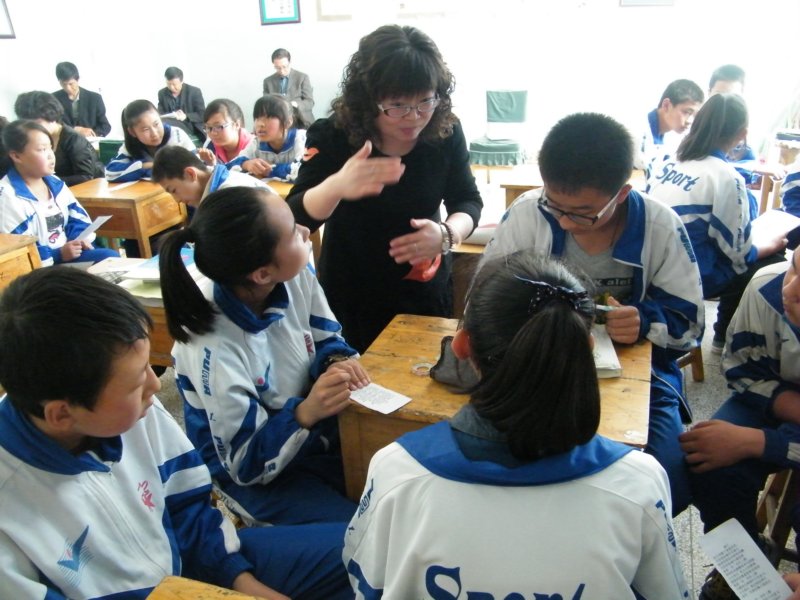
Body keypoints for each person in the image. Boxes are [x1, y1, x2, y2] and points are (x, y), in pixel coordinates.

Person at [343, 251, 689, 597]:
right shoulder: (639, 483)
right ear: (586, 348)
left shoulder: (397, 472)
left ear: (462, 345)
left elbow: (367, 583)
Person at [0, 267, 354, 600]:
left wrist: (242, 583)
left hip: (200, 564)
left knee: (368, 547)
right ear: (61, 414)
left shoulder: (134, 411)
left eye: (148, 369)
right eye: (136, 383)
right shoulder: (12, 506)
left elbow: (189, 508)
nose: (156, 386)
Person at [483, 112, 704, 516]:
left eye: (583, 212)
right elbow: (485, 297)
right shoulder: (529, 212)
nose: (566, 222)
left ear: (621, 193)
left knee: (667, 478)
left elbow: (690, 323)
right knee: (506, 460)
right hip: (536, 366)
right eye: (555, 206)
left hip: (638, 376)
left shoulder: (660, 225)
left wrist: (644, 321)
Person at [161, 186, 368, 526]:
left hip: (314, 435)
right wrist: (305, 412)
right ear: (261, 274)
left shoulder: (292, 274)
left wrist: (336, 363)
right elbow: (245, 465)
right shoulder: (212, 343)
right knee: (360, 534)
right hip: (257, 476)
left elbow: (326, 336)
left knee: (394, 490)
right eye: (292, 231)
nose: (305, 231)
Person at [287, 25, 483, 353]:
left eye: (425, 101)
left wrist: (447, 234)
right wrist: (337, 185)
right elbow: (295, 218)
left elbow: (467, 200)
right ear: (369, 99)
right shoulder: (334, 136)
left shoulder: (445, 131)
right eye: (397, 105)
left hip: (422, 291)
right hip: (351, 294)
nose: (414, 117)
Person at [680, 252, 800, 600]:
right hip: (772, 396)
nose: (789, 290)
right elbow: (743, 369)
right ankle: (742, 566)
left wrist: (759, 443)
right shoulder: (768, 286)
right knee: (709, 462)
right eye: (794, 268)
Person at [647, 93, 786, 353]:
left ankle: (725, 335)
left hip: (651, 267)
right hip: (686, 276)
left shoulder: (671, 161)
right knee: (771, 265)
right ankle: (727, 338)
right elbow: (738, 255)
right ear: (742, 133)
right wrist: (768, 245)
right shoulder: (726, 177)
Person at [0, 119, 117, 266]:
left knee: (110, 258)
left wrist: (77, 239)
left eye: (51, 148)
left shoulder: (54, 182)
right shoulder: (8, 196)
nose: (50, 155)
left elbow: (77, 216)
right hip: (41, 269)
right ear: (16, 156)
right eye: (42, 150)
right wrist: (59, 254)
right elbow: (21, 250)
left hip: (66, 256)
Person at [14, 90, 104, 185]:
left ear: (51, 116)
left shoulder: (73, 139)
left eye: (37, 123)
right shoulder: (36, 138)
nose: (33, 129)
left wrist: (46, 182)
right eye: (28, 124)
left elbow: (86, 177)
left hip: (84, 190)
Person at [153, 145, 273, 209]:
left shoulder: (228, 194)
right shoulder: (215, 189)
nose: (177, 200)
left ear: (190, 174)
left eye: (174, 190)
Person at [105, 99, 196, 182]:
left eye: (156, 124)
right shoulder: (131, 145)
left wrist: (136, 171)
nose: (154, 133)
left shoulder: (176, 136)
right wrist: (146, 165)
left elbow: (190, 167)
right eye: (145, 129)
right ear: (132, 132)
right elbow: (110, 173)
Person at [636, 78, 704, 179]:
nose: (690, 121)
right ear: (666, 105)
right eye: (686, 112)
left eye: (694, 115)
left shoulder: (678, 139)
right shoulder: (635, 131)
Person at [229, 94, 305, 181]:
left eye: (268, 118)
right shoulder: (256, 143)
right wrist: (246, 164)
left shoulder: (301, 139)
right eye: (257, 118)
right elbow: (229, 165)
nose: (260, 124)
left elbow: (304, 169)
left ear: (287, 122)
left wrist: (269, 171)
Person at [52, 61, 111, 138]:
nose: (68, 88)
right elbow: (51, 124)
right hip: (64, 142)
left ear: (78, 79)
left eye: (71, 84)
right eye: (63, 84)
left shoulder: (95, 98)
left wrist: (92, 134)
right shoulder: (53, 99)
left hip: (89, 142)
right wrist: (74, 129)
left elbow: (105, 126)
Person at [263, 48, 315, 128]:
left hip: (302, 121)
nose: (282, 71)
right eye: (277, 68)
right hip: (279, 123)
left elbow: (310, 102)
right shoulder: (268, 81)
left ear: (290, 63)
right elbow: (265, 105)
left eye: (284, 67)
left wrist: (295, 104)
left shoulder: (302, 77)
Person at [197, 98, 253, 166]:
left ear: (236, 125)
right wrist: (210, 164)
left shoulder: (253, 147)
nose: (213, 133)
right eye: (209, 127)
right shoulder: (209, 145)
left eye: (218, 127)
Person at [157, 66, 206, 142]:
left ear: (182, 81)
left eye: (174, 84)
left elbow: (202, 114)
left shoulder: (194, 91)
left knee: (165, 125)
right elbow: (160, 113)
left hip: (189, 124)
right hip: (170, 123)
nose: (171, 87)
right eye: (168, 84)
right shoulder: (162, 93)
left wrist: (186, 116)